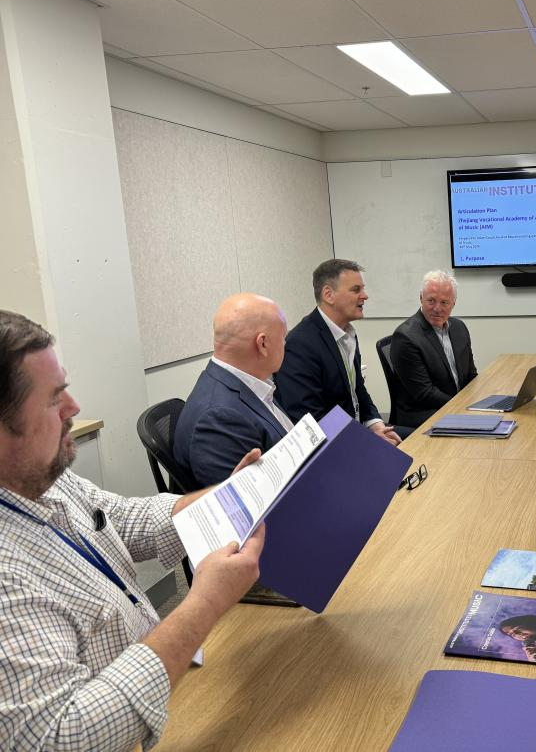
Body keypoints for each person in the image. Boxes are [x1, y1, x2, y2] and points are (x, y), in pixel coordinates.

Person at [0, 310, 264, 751]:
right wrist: (206, 601)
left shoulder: (41, 475)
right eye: (53, 399)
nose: (74, 408)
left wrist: (225, 496)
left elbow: (121, 519)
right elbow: (64, 739)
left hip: (155, 687)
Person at [275, 259, 403, 445]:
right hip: (333, 445)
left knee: (424, 440)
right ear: (329, 295)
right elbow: (310, 420)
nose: (365, 296)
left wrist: (375, 424)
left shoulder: (347, 334)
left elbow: (358, 390)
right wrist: (366, 441)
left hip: (357, 432)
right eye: (356, 290)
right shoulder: (300, 345)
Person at [176, 293, 293, 487]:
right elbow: (250, 501)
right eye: (283, 338)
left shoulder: (249, 380)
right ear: (262, 344)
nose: (285, 345)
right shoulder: (219, 419)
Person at [390, 270, 478, 428]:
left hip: (455, 406)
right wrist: (462, 406)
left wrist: (479, 400)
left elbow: (470, 375)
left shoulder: (459, 328)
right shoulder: (405, 337)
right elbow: (425, 394)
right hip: (424, 413)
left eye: (444, 302)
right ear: (421, 298)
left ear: (453, 303)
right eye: (431, 301)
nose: (437, 308)